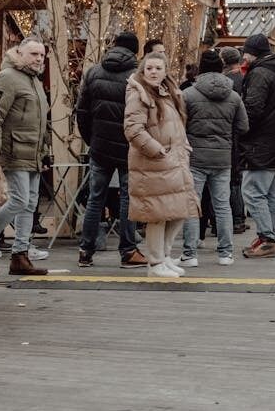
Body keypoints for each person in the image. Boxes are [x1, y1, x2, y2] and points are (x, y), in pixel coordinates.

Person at [0, 37, 51, 276]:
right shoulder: (8, 78)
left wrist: (46, 151)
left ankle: (20, 255)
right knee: (19, 200)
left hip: (33, 153)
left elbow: (41, 122)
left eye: (41, 55)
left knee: (29, 204)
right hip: (14, 150)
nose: (39, 59)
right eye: (33, 54)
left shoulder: (34, 82)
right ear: (20, 54)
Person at [74, 31, 148, 270]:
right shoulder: (137, 76)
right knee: (128, 198)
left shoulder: (93, 72)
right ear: (135, 50)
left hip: (100, 147)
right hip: (130, 147)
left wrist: (91, 139)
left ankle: (86, 250)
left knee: (96, 198)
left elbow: (82, 112)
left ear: (114, 46)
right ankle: (127, 251)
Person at [124, 52, 199, 278]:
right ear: (143, 70)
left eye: (158, 68)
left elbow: (176, 124)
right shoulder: (139, 95)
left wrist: (184, 146)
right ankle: (155, 263)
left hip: (174, 161)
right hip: (153, 163)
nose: (153, 72)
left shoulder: (167, 93)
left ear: (165, 70)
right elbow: (133, 129)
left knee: (179, 210)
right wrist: (156, 150)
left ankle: (164, 256)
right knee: (158, 214)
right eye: (149, 68)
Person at [180, 49, 247, 267]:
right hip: (222, 158)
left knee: (192, 204)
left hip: (195, 157)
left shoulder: (188, 95)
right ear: (221, 68)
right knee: (222, 206)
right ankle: (225, 253)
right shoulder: (234, 96)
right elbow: (243, 126)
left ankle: (190, 254)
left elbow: (178, 125)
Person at [238, 34, 275, 258]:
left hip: (260, 142)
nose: (244, 56)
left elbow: (253, 109)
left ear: (254, 52)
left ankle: (267, 238)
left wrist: (241, 130)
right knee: (268, 194)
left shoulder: (259, 73)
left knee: (251, 192)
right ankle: (267, 236)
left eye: (246, 52)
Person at [220, 46, 248, 235]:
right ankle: (240, 216)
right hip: (241, 132)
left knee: (232, 179)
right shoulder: (245, 78)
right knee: (236, 177)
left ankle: (237, 217)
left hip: (231, 133)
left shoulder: (228, 81)